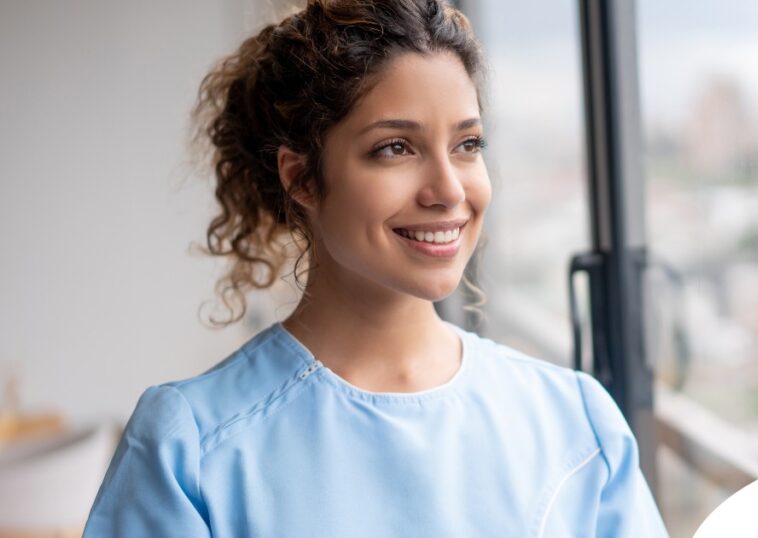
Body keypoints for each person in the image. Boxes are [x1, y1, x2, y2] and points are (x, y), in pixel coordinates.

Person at [83, 1, 668, 535]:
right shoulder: (189, 450)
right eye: (395, 148)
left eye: (467, 145)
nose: (449, 190)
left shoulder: (575, 423)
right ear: (302, 178)